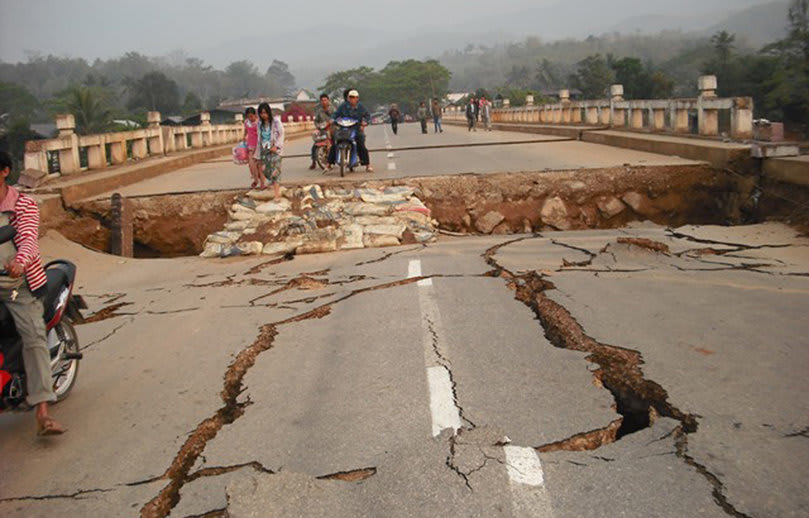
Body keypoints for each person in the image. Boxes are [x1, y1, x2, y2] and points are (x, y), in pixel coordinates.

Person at [0, 151, 64, 436]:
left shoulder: (22, 205)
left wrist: (19, 263)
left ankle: (42, 411)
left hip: (18, 285)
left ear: (4, 171)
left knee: (33, 336)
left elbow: (28, 240)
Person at [329, 89, 373, 172]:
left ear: (357, 98)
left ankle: (367, 165)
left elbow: (367, 116)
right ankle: (329, 164)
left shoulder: (361, 107)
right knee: (335, 144)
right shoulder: (343, 106)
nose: (353, 99)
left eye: (355, 97)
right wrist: (332, 119)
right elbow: (336, 114)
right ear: (348, 98)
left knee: (361, 143)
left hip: (356, 129)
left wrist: (365, 122)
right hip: (343, 129)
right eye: (351, 97)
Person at [255, 102, 285, 200]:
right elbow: (259, 139)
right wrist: (257, 154)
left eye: (265, 113)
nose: (263, 115)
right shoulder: (259, 124)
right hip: (264, 149)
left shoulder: (276, 122)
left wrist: (277, 146)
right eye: (261, 113)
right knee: (265, 170)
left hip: (275, 150)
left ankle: (276, 195)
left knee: (276, 171)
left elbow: (281, 134)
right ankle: (272, 183)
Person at [310, 94, 333, 170]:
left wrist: (331, 122)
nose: (324, 102)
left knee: (336, 142)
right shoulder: (319, 111)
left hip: (332, 129)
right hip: (323, 130)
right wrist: (318, 126)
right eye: (322, 100)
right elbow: (316, 121)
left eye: (325, 100)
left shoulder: (333, 109)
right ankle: (313, 161)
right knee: (314, 146)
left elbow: (336, 117)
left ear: (328, 100)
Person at [242, 107, 261, 188]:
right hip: (250, 145)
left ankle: (260, 180)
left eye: (251, 116)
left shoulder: (259, 122)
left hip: (258, 145)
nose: (250, 118)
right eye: (248, 117)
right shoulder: (246, 122)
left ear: (255, 115)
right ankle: (256, 180)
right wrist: (244, 137)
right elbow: (246, 131)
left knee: (258, 164)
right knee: (251, 164)